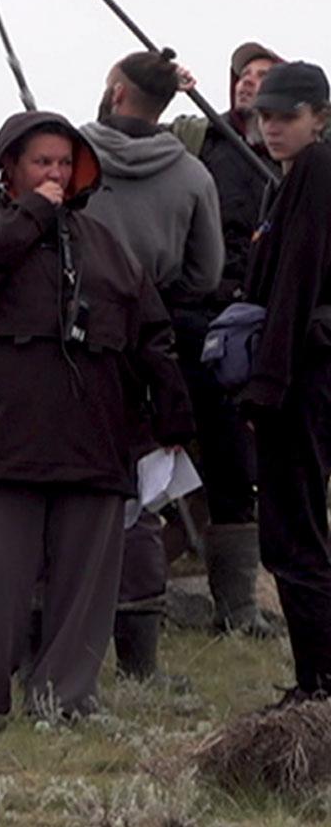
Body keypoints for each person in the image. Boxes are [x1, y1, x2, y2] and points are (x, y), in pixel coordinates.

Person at [0, 112, 191, 721]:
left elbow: (150, 331)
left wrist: (172, 416)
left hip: (92, 445)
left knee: (85, 589)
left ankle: (66, 700)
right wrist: (33, 217)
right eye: (40, 162)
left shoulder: (105, 244)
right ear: (10, 169)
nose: (54, 173)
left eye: (63, 163)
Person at [78, 50, 219, 680]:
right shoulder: (191, 175)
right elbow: (206, 273)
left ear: (115, 93)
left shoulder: (70, 156)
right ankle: (139, 658)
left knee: (63, 484)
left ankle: (52, 642)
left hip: (72, 337)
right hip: (150, 341)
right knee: (140, 494)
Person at [166, 43, 285, 636]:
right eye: (242, 76)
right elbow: (121, 131)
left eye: (262, 78)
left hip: (258, 320)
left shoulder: (297, 158)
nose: (247, 85)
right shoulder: (200, 136)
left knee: (236, 459)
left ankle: (238, 606)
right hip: (192, 313)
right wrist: (169, 87)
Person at [239, 60, 331, 704]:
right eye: (265, 116)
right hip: (302, 373)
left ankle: (318, 688)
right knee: (296, 532)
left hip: (302, 380)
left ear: (318, 117)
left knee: (295, 534)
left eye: (286, 117)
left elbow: (296, 285)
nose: (272, 127)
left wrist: (266, 386)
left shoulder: (319, 171)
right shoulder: (297, 175)